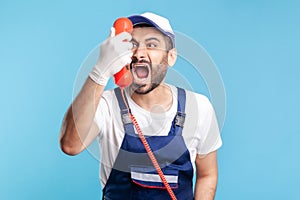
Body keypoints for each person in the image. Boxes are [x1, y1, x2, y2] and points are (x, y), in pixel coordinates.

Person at [60, 12, 222, 200]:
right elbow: (70, 145)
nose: (139, 54)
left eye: (151, 44)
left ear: (171, 57)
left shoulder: (198, 107)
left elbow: (207, 174)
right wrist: (100, 71)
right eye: (132, 45)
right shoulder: (106, 104)